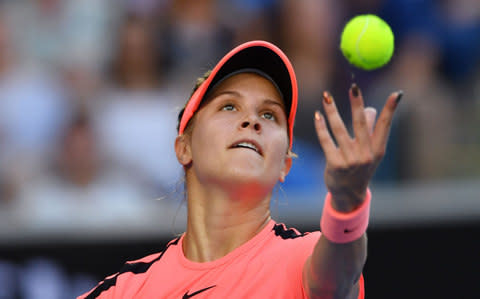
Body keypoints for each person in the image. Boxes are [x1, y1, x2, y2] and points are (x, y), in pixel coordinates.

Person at [78, 40, 402, 299]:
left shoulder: (304, 260)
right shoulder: (124, 291)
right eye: (229, 106)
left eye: (270, 115)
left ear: (284, 165)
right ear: (184, 147)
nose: (252, 121)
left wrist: (349, 202)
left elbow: (339, 279)